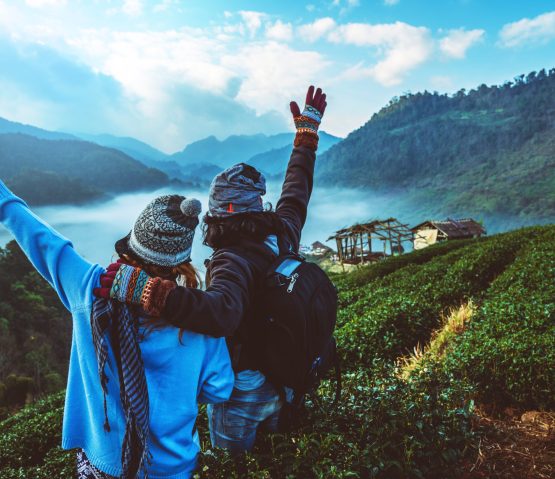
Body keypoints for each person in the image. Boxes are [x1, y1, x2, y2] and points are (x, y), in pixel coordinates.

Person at [95, 85, 328, 454]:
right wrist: (306, 137)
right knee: (278, 456)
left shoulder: (231, 260)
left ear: (223, 213)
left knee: (231, 467)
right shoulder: (283, 229)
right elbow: (297, 191)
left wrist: (149, 290)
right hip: (284, 377)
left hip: (247, 387)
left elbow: (222, 314)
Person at [0, 188, 234, 478]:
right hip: (174, 466)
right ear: (180, 263)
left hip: (105, 461)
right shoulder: (201, 321)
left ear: (132, 245)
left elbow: (42, 239)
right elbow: (218, 388)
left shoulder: (92, 288)